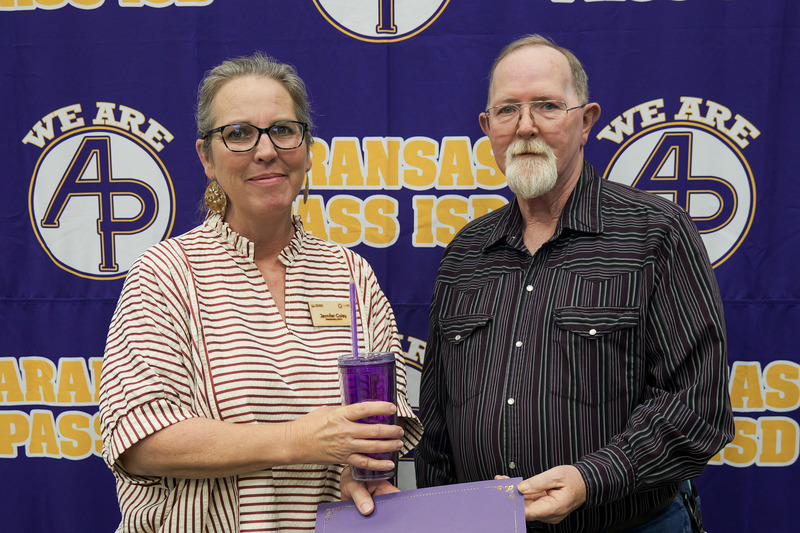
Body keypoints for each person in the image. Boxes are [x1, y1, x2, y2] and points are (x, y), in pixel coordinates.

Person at [414, 34, 734, 533]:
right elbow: (437, 419)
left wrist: (592, 479)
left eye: (547, 106)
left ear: (586, 122)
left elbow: (698, 405)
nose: (525, 127)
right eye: (507, 111)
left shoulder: (656, 233)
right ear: (487, 128)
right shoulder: (466, 252)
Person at [98, 52, 422, 532]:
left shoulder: (351, 274)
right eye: (238, 134)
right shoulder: (167, 272)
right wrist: (301, 440)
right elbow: (142, 442)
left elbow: (379, 430)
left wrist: (365, 474)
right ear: (207, 158)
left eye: (283, 130)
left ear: (307, 148)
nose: (266, 150)